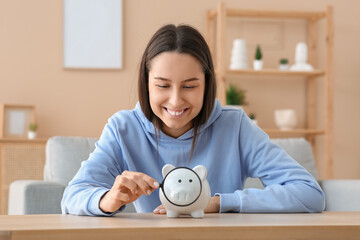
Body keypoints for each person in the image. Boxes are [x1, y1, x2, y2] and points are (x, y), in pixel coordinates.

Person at [61, 24, 325, 216]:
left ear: (206, 85)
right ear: (147, 84)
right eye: (163, 85)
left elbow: (309, 193)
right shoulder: (123, 128)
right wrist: (108, 199)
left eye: (189, 86)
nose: (176, 101)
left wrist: (219, 202)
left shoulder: (235, 126)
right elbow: (72, 197)